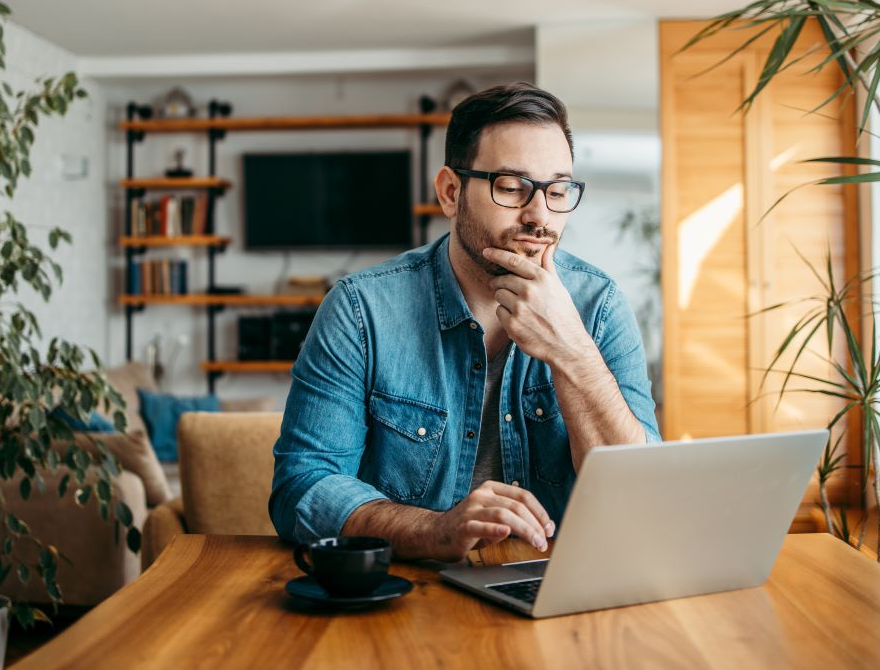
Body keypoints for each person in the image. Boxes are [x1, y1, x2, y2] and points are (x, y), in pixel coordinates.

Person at [269, 82, 660, 561]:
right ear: (451, 192)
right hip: (410, 594)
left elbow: (640, 494)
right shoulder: (360, 311)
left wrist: (570, 350)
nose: (540, 216)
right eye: (512, 188)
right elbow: (301, 490)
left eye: (557, 190)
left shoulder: (598, 305)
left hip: (563, 586)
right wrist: (435, 529)